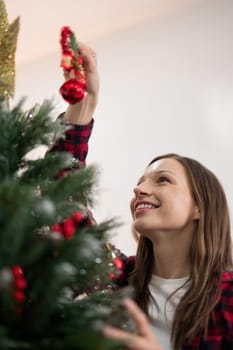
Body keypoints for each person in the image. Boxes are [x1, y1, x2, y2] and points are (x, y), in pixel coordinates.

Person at [53, 42, 233, 350]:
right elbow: (58, 200)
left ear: (199, 208)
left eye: (162, 180)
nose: (139, 189)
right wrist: (83, 107)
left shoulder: (228, 298)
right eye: (140, 182)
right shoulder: (120, 278)